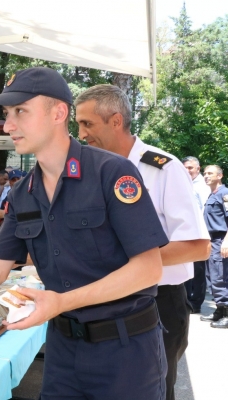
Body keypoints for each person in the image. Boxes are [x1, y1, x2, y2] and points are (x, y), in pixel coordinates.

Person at [0, 67, 169, 400]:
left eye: (20, 111)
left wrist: (61, 301)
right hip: (64, 351)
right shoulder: (24, 193)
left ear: (58, 113)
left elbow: (149, 268)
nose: (8, 125)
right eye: (7, 115)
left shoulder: (111, 172)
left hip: (125, 352)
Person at [75, 84, 210, 400]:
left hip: (158, 301)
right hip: (108, 298)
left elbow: (197, 246)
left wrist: (126, 260)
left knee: (154, 390)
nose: (81, 135)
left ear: (116, 121)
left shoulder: (162, 167)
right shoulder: (92, 170)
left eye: (87, 124)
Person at [182, 156, 212, 313]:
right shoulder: (187, 184)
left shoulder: (202, 186)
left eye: (190, 168)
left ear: (198, 169)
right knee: (188, 268)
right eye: (185, 167)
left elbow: (205, 211)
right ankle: (188, 300)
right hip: (187, 234)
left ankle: (195, 302)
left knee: (198, 271)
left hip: (199, 234)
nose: (187, 171)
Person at [200, 165, 228, 328]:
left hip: (220, 240)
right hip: (211, 241)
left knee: (221, 277)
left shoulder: (224, 194)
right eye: (205, 173)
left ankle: (227, 313)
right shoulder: (212, 195)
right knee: (212, 277)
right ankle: (219, 310)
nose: (206, 176)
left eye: (210, 173)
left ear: (220, 176)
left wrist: (226, 241)